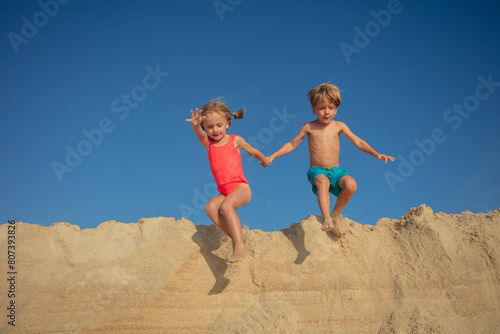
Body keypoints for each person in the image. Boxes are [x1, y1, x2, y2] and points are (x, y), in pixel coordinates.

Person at [268, 83, 395, 235]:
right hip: (317, 171)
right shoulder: (308, 127)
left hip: (336, 171)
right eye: (322, 108)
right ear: (314, 109)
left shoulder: (339, 126)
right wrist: (273, 156)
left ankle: (335, 213)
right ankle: (326, 217)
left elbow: (358, 141)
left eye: (331, 108)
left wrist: (376, 154)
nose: (326, 112)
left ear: (336, 110)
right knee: (323, 182)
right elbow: (291, 144)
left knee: (351, 184)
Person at [186, 101, 269, 264]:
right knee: (210, 208)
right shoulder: (208, 144)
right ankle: (237, 237)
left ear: (228, 124)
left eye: (219, 125)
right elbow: (199, 134)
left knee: (225, 206)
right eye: (209, 127)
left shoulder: (234, 140)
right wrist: (196, 126)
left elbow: (251, 150)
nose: (215, 130)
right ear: (204, 128)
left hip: (241, 188)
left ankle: (239, 246)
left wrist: (264, 159)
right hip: (225, 193)